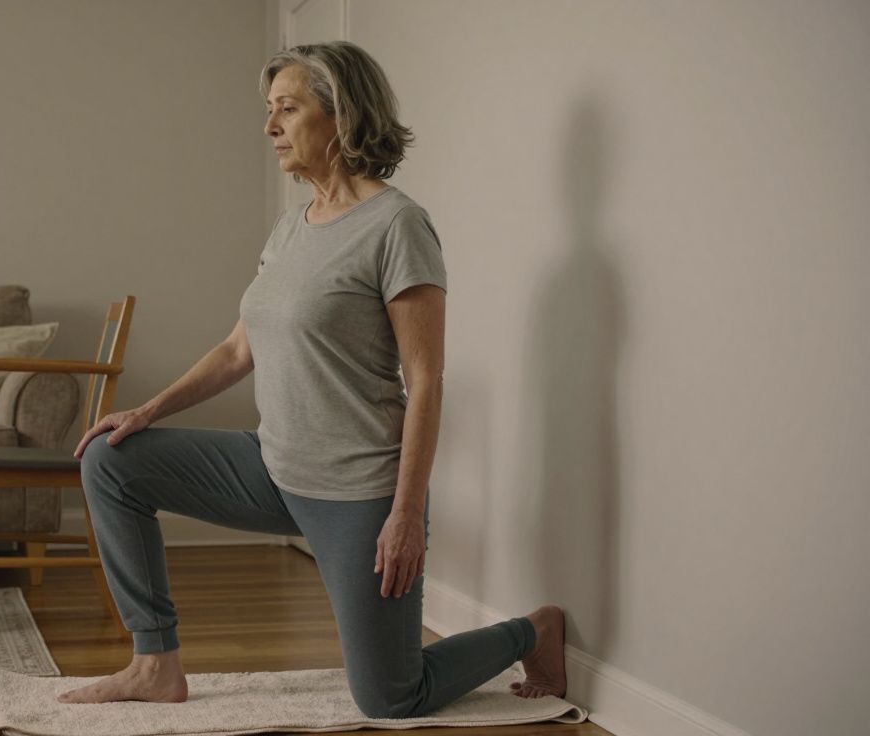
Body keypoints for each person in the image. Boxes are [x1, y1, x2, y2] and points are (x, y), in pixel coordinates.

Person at [55, 41, 567, 718]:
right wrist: (145, 411)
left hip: (356, 493)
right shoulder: (292, 226)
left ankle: (533, 631)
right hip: (270, 467)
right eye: (270, 111)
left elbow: (427, 379)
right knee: (109, 459)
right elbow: (240, 348)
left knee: (391, 695)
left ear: (342, 116)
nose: (270, 127)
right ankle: (154, 663)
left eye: (287, 109)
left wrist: (405, 514)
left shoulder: (397, 226)